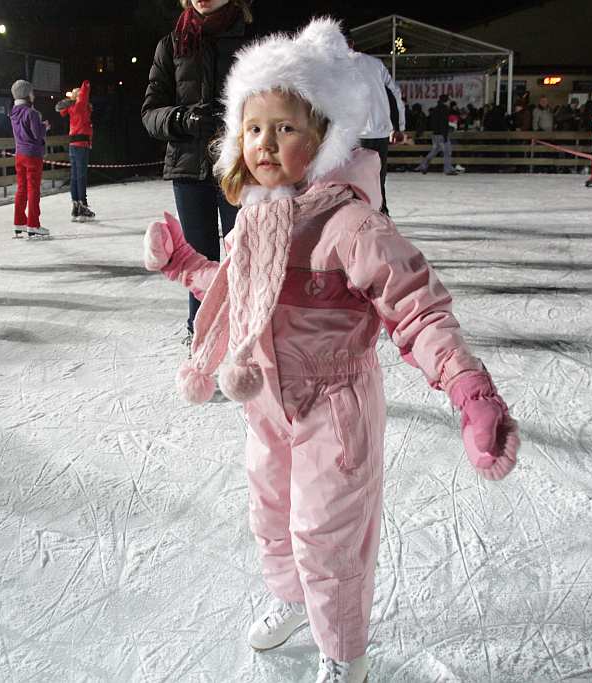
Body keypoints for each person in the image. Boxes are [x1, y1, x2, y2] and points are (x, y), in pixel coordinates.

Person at [142, 19, 519, 683]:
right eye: (252, 127)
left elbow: (416, 304)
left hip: (333, 406)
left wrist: (468, 387)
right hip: (265, 401)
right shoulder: (257, 213)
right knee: (273, 517)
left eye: (284, 127)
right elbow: (236, 295)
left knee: (329, 536)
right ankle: (292, 599)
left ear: (322, 134)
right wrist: (184, 264)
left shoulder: (352, 223)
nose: (264, 142)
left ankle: (345, 652)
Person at [142, 0, 253, 346]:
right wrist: (181, 118)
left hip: (241, 168)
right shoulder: (172, 44)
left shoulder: (255, 40)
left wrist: (241, 118)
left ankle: (249, 333)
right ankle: (201, 333)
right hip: (190, 169)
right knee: (198, 259)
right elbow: (150, 112)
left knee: (247, 256)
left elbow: (280, 103)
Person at [346, 33, 406, 215]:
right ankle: (381, 212)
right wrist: (398, 127)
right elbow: (394, 94)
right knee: (378, 177)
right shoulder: (376, 64)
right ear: (352, 43)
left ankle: (360, 216)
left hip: (354, 133)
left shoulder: (335, 66)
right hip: (379, 132)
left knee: (354, 178)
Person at [10, 79, 50, 238]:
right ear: (26, 94)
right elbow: (36, 134)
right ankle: (33, 224)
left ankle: (19, 221)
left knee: (21, 188)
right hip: (32, 155)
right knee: (33, 189)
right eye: (32, 92)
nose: (33, 95)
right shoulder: (31, 113)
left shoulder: (13, 112)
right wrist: (44, 126)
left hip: (19, 154)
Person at [56, 80, 94, 222]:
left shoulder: (72, 108)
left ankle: (76, 205)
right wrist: (85, 85)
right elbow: (85, 89)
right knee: (81, 176)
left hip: (73, 145)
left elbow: (61, 109)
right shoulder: (80, 105)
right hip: (80, 145)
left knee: (75, 176)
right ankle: (82, 205)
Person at [415, 94, 457, 175]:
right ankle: (447, 169)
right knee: (447, 151)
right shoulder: (444, 109)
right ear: (446, 101)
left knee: (434, 151)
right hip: (442, 134)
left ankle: (423, 165)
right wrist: (445, 135)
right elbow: (443, 123)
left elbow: (431, 122)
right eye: (448, 100)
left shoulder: (435, 109)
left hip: (435, 134)